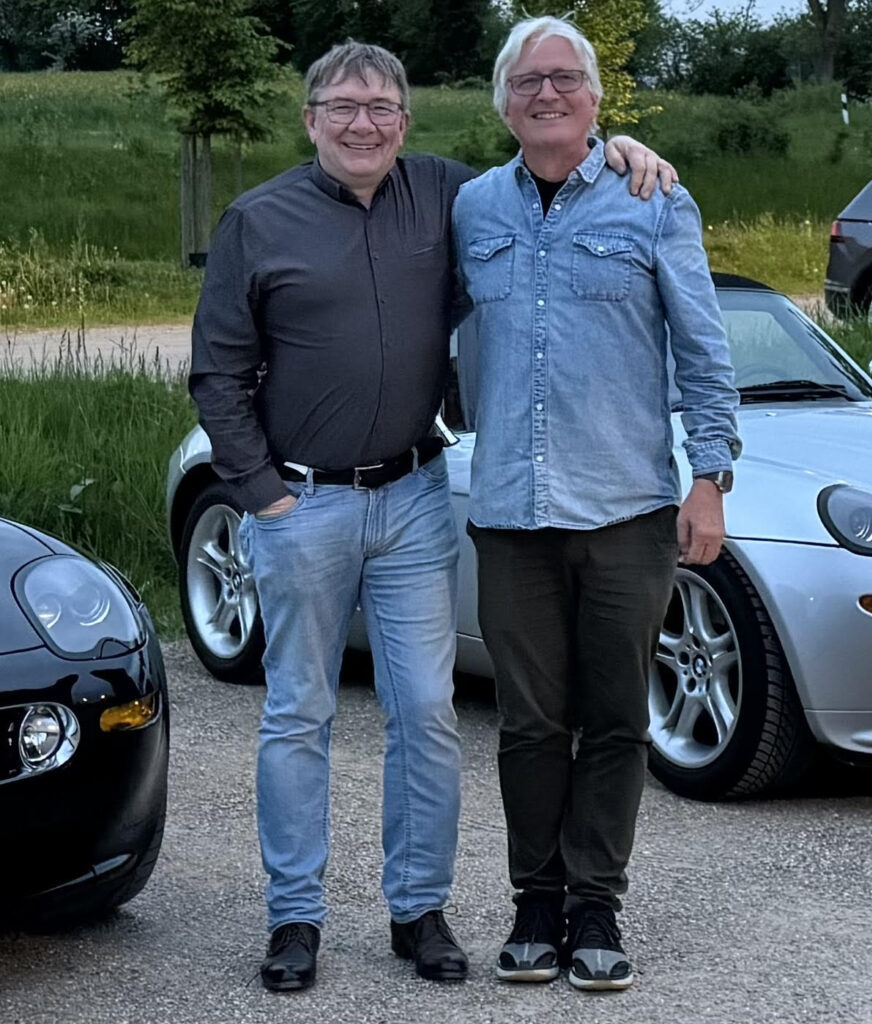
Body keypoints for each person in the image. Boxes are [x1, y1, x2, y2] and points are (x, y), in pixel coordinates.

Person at [189, 39, 675, 993]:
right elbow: (217, 374)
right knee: (299, 714)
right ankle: (295, 917)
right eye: (343, 105)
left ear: (405, 123)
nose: (362, 123)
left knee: (426, 712)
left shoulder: (451, 196)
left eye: (381, 107)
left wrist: (623, 148)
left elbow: (548, 159)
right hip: (303, 505)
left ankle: (419, 909)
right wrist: (263, 495)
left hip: (414, 500)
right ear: (311, 119)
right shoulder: (258, 220)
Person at [452, 16, 742, 993]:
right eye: (527, 81)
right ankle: (535, 904)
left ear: (595, 97)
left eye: (565, 78)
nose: (547, 93)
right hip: (511, 515)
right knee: (530, 722)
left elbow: (702, 349)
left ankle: (597, 906)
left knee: (617, 718)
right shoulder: (472, 209)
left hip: (626, 510)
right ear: (503, 102)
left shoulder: (654, 198)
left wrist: (710, 477)